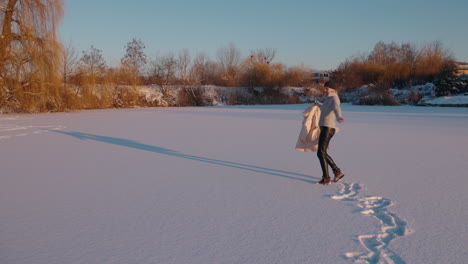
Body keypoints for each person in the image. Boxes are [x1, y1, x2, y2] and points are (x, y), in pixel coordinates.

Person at [314, 80, 345, 185]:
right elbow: (324, 108)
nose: (325, 90)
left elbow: (336, 108)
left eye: (327, 88)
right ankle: (337, 171)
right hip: (324, 127)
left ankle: (326, 178)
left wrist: (339, 116)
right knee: (322, 152)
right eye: (325, 88)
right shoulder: (327, 99)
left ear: (332, 89)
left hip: (328, 128)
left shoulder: (334, 98)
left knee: (320, 152)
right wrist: (318, 104)